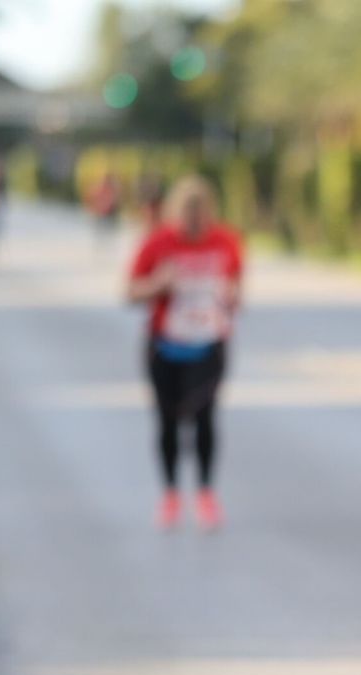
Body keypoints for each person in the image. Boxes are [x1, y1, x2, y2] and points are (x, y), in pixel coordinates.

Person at [126, 175, 243, 531]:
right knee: (167, 422)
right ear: (176, 213)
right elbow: (130, 291)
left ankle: (205, 493)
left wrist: (230, 295)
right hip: (166, 345)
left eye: (201, 215)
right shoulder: (158, 242)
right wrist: (158, 284)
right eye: (188, 216)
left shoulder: (226, 241)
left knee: (205, 418)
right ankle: (171, 493)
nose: (194, 224)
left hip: (208, 344)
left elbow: (237, 291)